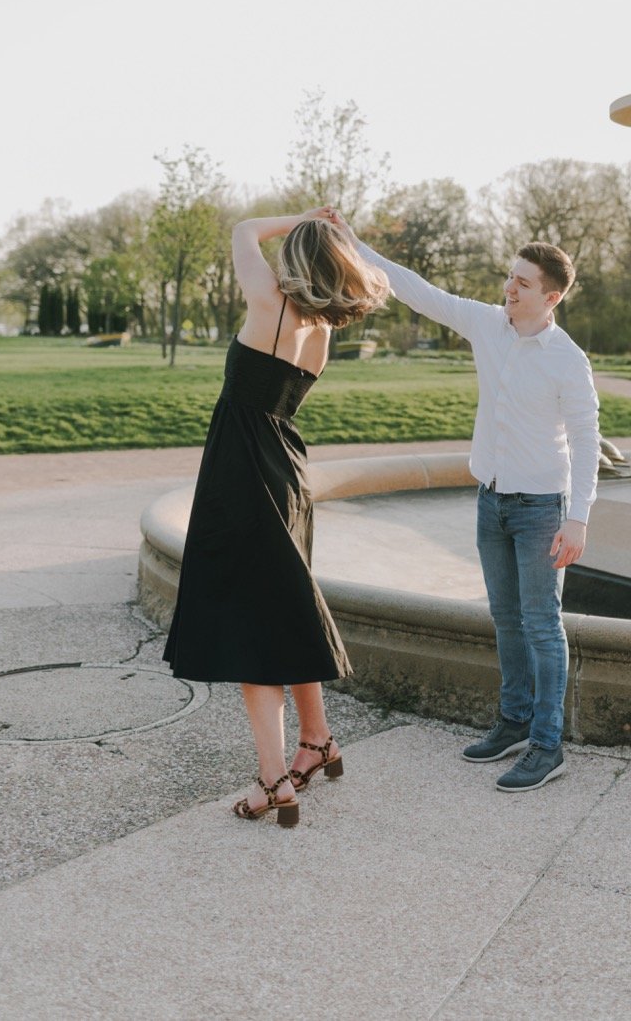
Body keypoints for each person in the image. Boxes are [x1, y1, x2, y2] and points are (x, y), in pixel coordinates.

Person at [339, 214, 598, 793]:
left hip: (541, 511)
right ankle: (513, 720)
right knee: (505, 619)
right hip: (492, 503)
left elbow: (587, 442)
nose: (509, 288)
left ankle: (548, 744)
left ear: (551, 297)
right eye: (510, 277)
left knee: (542, 626)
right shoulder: (487, 325)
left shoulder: (567, 360)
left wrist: (577, 519)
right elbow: (418, 290)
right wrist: (353, 244)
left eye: (523, 283)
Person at [162, 208, 388, 828]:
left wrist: (298, 217)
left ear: (295, 261)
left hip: (239, 476)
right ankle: (317, 741)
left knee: (246, 629)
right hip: (287, 470)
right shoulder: (322, 332)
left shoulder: (269, 303)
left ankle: (274, 782)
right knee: (283, 608)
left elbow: (239, 230)